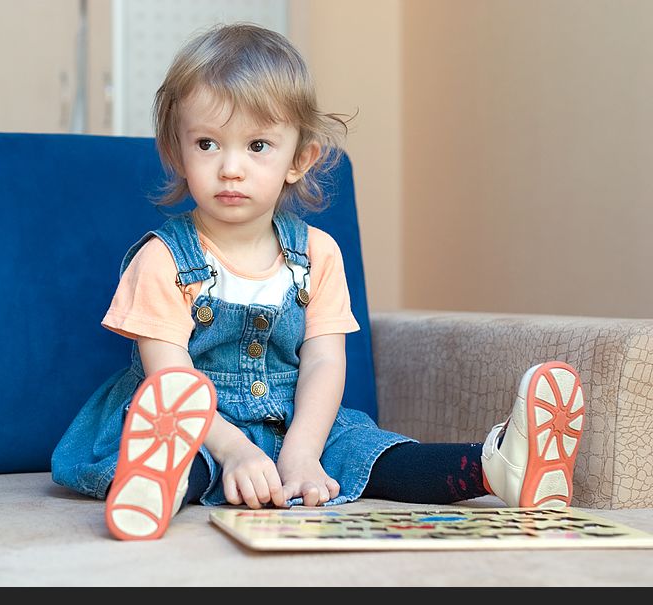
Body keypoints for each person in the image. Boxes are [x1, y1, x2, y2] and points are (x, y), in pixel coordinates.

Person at [50, 23, 585, 541]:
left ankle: (498, 466)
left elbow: (326, 361)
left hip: (295, 418)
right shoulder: (162, 258)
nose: (230, 168)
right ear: (177, 152)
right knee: (194, 456)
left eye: (257, 145)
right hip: (192, 424)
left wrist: (303, 451)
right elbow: (168, 379)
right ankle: (154, 486)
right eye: (208, 144)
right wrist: (235, 450)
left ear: (298, 159)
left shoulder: (318, 254)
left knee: (366, 451)